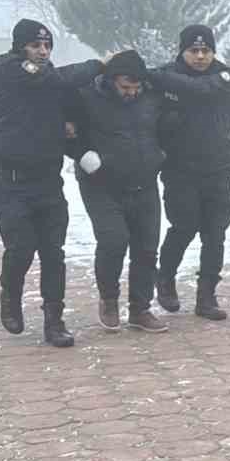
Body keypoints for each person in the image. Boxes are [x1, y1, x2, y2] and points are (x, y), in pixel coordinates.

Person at [0, 19, 102, 347]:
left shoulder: (52, 86)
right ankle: (10, 296)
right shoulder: (9, 69)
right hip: (8, 181)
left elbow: (70, 115)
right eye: (36, 45)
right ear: (21, 46)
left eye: (47, 46)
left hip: (46, 180)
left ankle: (54, 320)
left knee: (53, 252)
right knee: (20, 247)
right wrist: (99, 65)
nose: (43, 51)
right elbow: (57, 78)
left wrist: (75, 137)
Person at [71, 50, 170, 334]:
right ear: (111, 80)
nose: (131, 93)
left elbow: (166, 125)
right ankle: (109, 299)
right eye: (125, 87)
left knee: (147, 247)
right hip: (101, 183)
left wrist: (161, 154)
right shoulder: (87, 97)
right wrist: (83, 156)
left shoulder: (152, 96)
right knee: (114, 240)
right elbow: (64, 130)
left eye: (136, 87)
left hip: (144, 179)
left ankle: (140, 309)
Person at [155, 24, 230, 321]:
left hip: (217, 166)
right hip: (180, 169)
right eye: (194, 50)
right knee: (184, 226)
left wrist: (163, 78)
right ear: (182, 51)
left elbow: (198, 89)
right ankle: (164, 279)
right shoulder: (165, 75)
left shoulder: (226, 75)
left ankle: (207, 297)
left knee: (215, 233)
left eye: (206, 50)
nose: (201, 56)